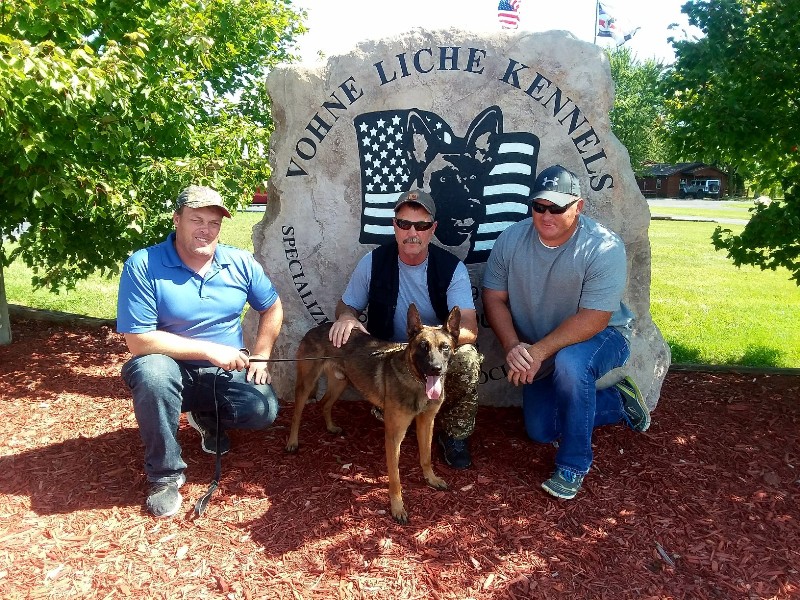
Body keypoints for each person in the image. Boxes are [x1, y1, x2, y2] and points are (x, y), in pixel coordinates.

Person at [482, 165, 650, 500]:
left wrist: (539, 352)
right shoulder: (511, 239)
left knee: (571, 364)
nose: (546, 215)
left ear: (578, 206)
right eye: (539, 206)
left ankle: (573, 465)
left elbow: (595, 318)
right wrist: (514, 345)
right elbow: (493, 297)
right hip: (541, 344)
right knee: (540, 429)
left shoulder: (603, 246)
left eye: (557, 207)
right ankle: (617, 400)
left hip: (603, 337)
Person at [117, 185, 283, 518]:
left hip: (222, 371)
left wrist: (262, 354)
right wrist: (208, 350)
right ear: (177, 219)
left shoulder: (240, 262)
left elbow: (273, 306)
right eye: (196, 220)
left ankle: (206, 416)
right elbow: (138, 341)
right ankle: (165, 476)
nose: (205, 229)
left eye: (214, 222)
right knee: (152, 374)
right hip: (168, 366)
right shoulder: (144, 264)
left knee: (263, 408)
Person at [329, 189, 483, 469]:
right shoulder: (373, 262)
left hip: (432, 349)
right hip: (390, 355)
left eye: (421, 225)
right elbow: (346, 306)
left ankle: (454, 433)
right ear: (395, 226)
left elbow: (470, 327)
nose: (412, 232)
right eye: (404, 224)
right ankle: (392, 408)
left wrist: (437, 340)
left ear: (432, 229)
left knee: (468, 358)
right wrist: (347, 318)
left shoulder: (451, 269)